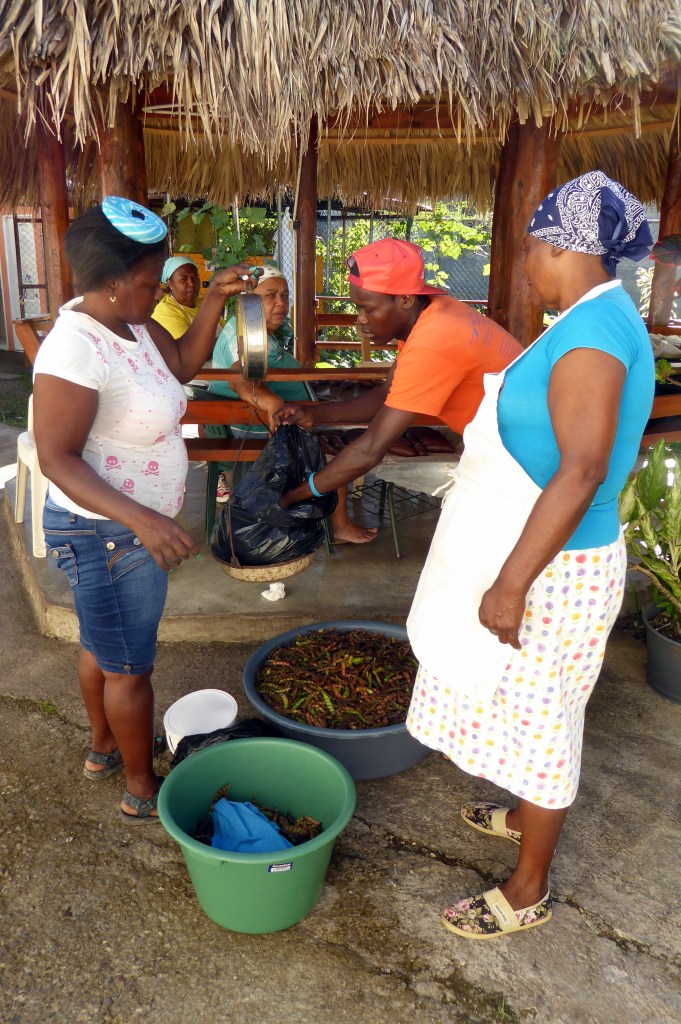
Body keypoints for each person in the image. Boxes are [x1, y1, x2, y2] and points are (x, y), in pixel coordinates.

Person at [405, 171, 654, 938]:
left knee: (544, 720)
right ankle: (521, 818)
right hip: (543, 549)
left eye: (529, 249)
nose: (523, 266)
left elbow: (581, 470)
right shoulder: (589, 317)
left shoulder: (592, 332)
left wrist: (511, 582)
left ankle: (526, 890)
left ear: (559, 246)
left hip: (556, 566)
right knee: (523, 702)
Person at [33, 196, 260, 822]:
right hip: (104, 531)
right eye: (149, 279)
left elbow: (182, 363)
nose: (158, 288)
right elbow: (56, 457)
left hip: (125, 528)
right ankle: (142, 788)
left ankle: (104, 747)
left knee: (102, 645)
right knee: (130, 666)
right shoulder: (76, 348)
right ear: (111, 281)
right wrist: (145, 519)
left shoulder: (133, 324)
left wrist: (215, 298)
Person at [274, 238, 522, 513]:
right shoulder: (433, 313)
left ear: (405, 299)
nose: (360, 319)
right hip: (507, 443)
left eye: (369, 309)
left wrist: (290, 497)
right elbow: (385, 394)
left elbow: (370, 450)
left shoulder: (435, 339)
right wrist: (314, 414)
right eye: (358, 308)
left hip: (522, 452)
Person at [206, 264, 376, 541]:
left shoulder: (255, 329)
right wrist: (274, 404)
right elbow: (241, 381)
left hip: (271, 423)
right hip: (259, 429)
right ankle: (339, 525)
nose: (281, 303)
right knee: (342, 452)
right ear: (249, 302)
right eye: (270, 295)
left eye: (284, 295)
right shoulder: (243, 334)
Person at [151, 255, 225, 339]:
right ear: (170, 283)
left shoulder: (204, 304)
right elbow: (190, 346)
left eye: (195, 277)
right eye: (184, 279)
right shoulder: (166, 312)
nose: (191, 283)